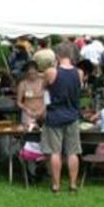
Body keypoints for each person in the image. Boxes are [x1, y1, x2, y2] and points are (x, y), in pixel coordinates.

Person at [41, 43, 83, 194]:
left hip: (54, 116)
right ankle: (72, 185)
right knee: (72, 152)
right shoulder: (79, 73)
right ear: (71, 55)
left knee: (55, 152)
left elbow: (43, 87)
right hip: (72, 115)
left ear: (57, 56)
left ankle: (56, 185)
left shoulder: (51, 72)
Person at [16, 61, 45, 129]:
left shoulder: (43, 82)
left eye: (34, 73)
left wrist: (41, 110)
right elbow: (18, 102)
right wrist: (27, 110)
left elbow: (47, 99)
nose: (32, 75)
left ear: (37, 71)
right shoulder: (22, 84)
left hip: (42, 111)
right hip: (28, 112)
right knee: (29, 128)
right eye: (30, 74)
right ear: (26, 73)